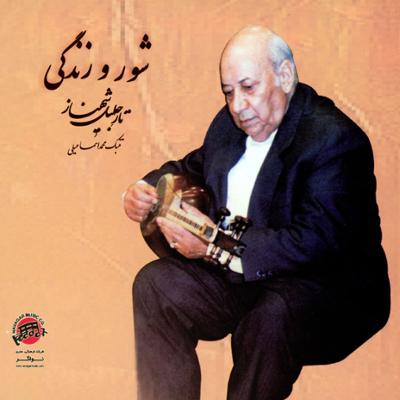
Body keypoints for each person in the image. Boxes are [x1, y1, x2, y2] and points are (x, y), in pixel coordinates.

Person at [123, 26, 390, 400]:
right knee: (155, 285)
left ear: (285, 76)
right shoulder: (230, 124)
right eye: (228, 92)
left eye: (248, 88)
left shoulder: (334, 139)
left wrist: (214, 244)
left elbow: (313, 243)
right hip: (244, 277)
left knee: (268, 318)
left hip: (327, 291)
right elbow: (193, 166)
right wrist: (145, 189)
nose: (237, 106)